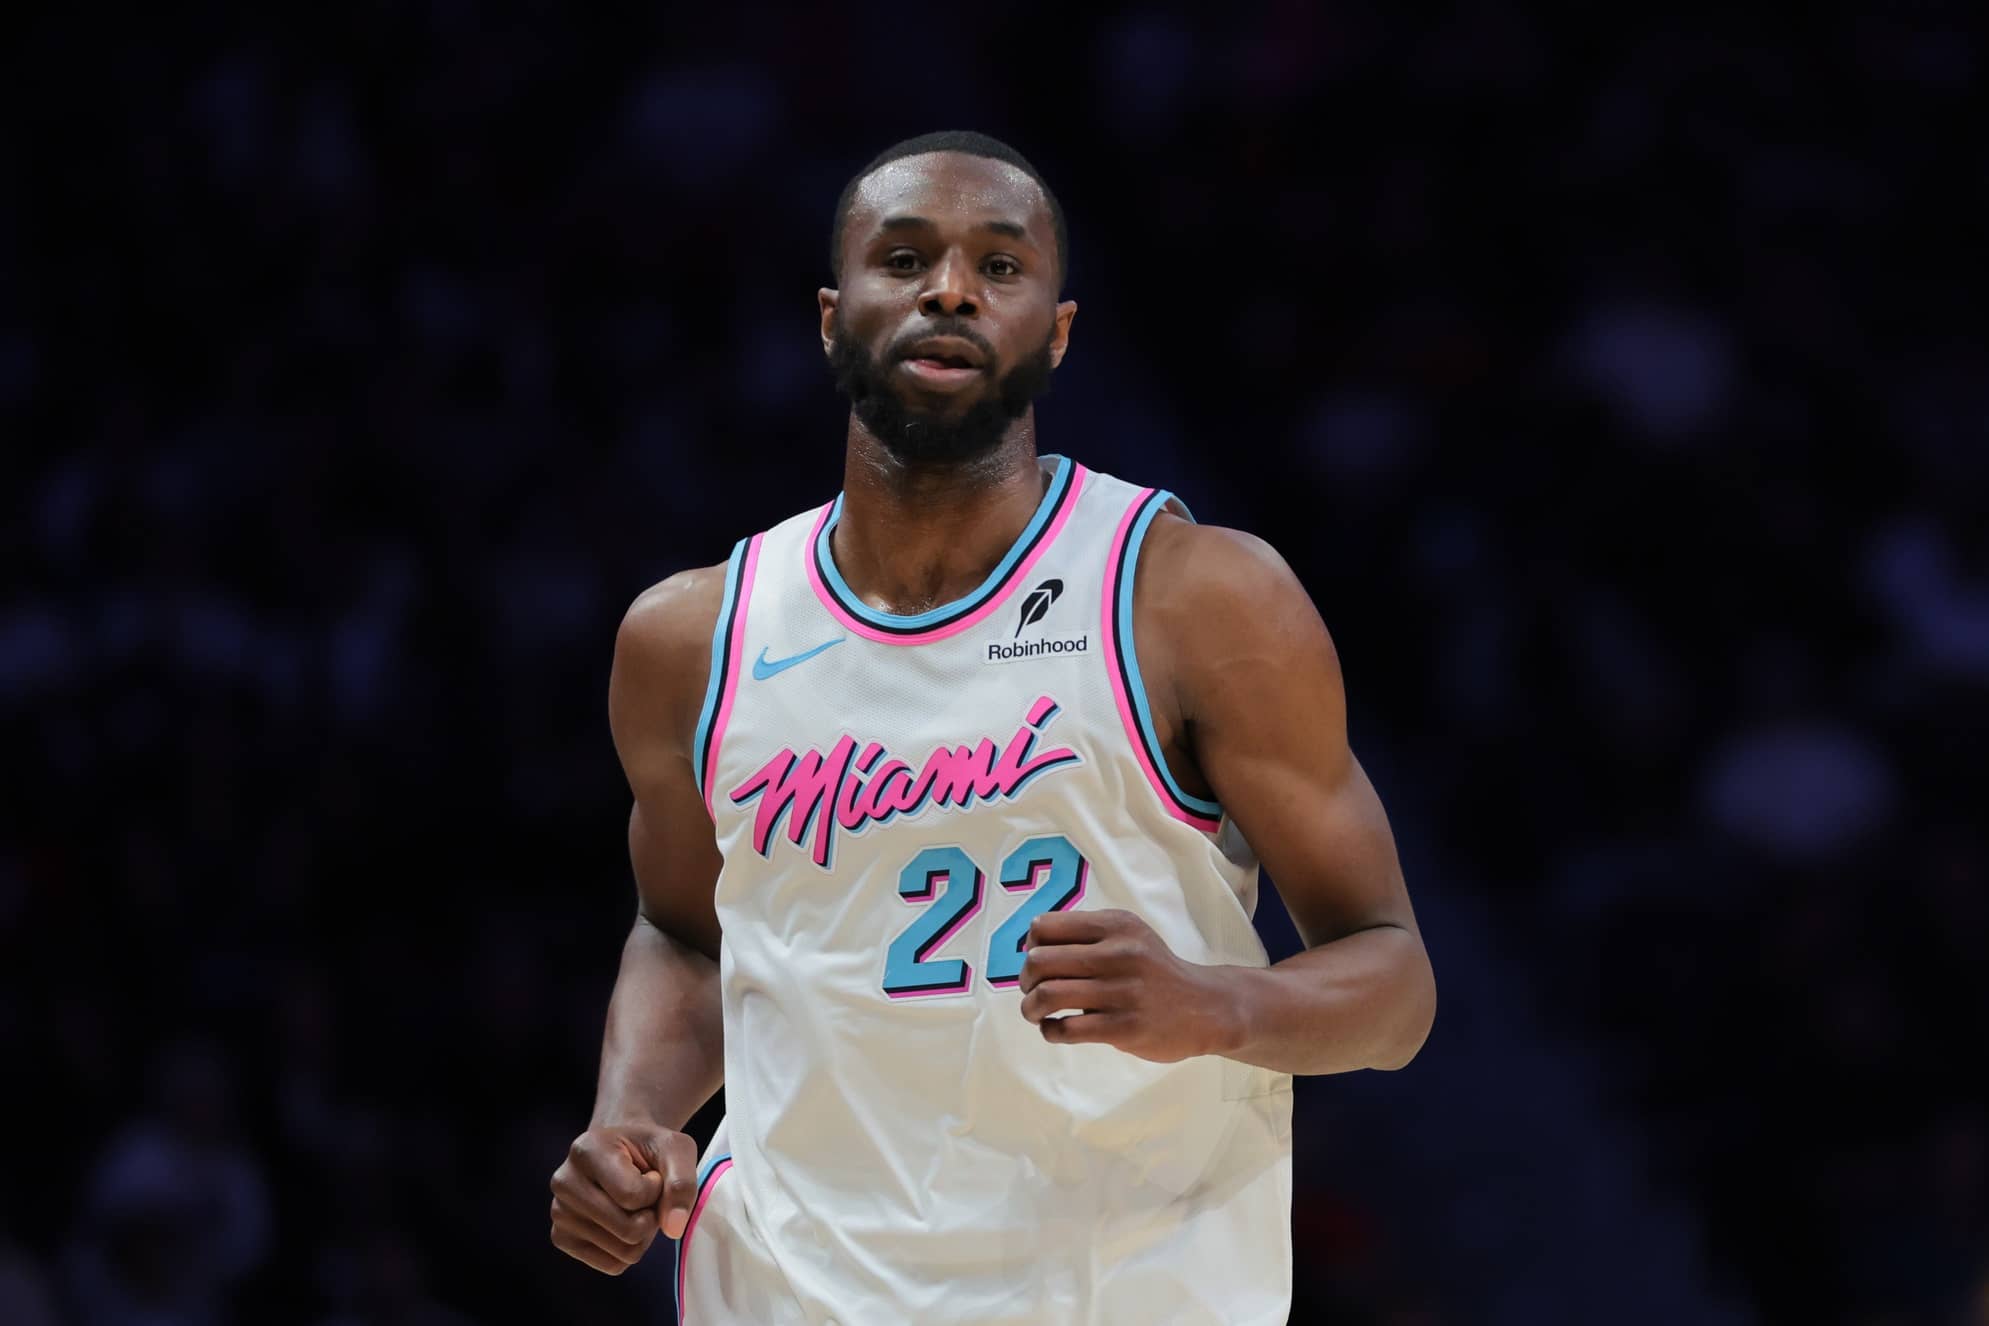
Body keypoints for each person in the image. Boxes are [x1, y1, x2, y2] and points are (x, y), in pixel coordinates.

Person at [548, 129, 1436, 1325]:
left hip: (1123, 1291)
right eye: (903, 257)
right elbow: (686, 933)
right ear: (831, 314)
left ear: (1057, 334)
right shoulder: (690, 638)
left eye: (999, 266)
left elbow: (1393, 981)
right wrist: (633, 1116)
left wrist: (1216, 1003)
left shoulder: (1193, 596)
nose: (950, 288)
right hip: (787, 1292)